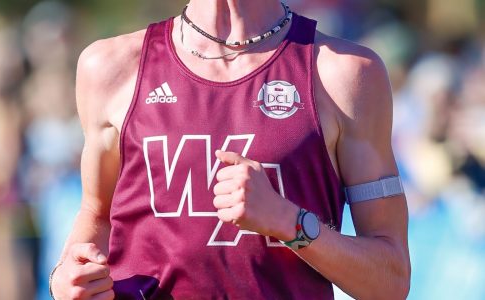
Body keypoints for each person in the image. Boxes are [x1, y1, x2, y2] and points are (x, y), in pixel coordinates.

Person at [50, 0, 411, 299]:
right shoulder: (110, 67)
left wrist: (289, 222)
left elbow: (389, 281)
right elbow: (95, 219)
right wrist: (65, 279)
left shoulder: (346, 74)